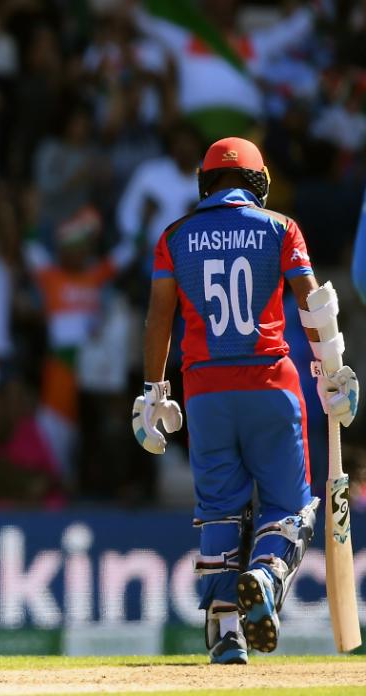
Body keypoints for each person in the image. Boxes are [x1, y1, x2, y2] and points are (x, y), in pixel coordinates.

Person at [135, 137, 358, 665]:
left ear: (205, 182)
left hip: (205, 393)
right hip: (270, 386)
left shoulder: (174, 236)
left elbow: (159, 317)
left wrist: (152, 394)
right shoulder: (281, 227)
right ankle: (267, 573)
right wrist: (333, 372)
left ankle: (226, 631)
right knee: (289, 508)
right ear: (259, 182)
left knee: (219, 511)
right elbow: (313, 302)